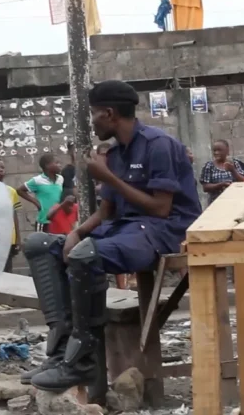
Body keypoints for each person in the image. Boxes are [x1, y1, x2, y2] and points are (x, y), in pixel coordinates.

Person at [21, 80, 201, 393]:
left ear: (109, 113)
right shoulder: (116, 153)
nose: (92, 122)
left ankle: (83, 360)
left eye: (93, 115)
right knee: (42, 245)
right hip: (128, 227)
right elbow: (106, 212)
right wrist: (76, 232)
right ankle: (62, 351)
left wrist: (108, 178)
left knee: (85, 255)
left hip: (165, 229)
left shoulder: (158, 145)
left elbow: (160, 208)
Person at [17, 154, 64, 232]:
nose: (60, 165)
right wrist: (35, 202)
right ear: (47, 165)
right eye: (57, 163)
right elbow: (20, 190)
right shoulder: (37, 180)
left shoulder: (60, 179)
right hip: (44, 221)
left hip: (58, 220)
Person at [199, 139, 244, 205]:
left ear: (227, 150)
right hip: (215, 203)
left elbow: (243, 181)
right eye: (214, 150)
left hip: (235, 202)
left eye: (219, 150)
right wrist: (221, 185)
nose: (216, 153)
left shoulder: (235, 163)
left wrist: (233, 170)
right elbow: (205, 187)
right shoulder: (209, 166)